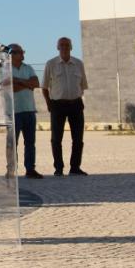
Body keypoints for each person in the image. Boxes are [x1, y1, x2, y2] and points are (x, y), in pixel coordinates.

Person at [43, 37, 89, 176]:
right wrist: (49, 104)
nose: (64, 47)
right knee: (56, 139)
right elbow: (44, 87)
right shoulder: (51, 64)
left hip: (76, 104)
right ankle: (58, 168)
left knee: (78, 139)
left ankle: (75, 167)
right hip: (58, 105)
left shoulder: (79, 64)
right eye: (61, 45)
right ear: (57, 47)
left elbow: (83, 85)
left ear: (71, 47)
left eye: (67, 45)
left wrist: (78, 99)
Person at [5, 43, 42, 179]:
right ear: (11, 54)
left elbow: (36, 83)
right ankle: (11, 170)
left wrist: (18, 80)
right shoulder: (5, 69)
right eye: (20, 52)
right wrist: (27, 84)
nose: (23, 54)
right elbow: (11, 87)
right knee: (12, 143)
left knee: (30, 143)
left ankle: (30, 169)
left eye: (22, 52)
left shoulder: (28, 68)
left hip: (29, 110)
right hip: (13, 112)